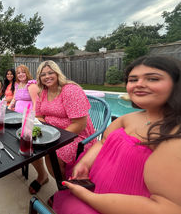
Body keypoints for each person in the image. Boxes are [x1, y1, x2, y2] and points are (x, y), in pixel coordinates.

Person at [53, 56, 181, 214]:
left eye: (153, 79)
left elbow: (168, 207)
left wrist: (88, 197)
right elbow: (102, 142)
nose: (139, 84)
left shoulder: (174, 135)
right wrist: (85, 164)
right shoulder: (127, 119)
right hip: (96, 187)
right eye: (133, 79)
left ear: (176, 84)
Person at [29, 60, 96, 195]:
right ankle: (43, 176)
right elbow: (39, 115)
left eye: (50, 73)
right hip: (51, 132)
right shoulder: (43, 92)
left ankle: (65, 188)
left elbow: (80, 124)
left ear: (57, 73)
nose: (47, 76)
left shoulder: (70, 90)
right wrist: (47, 132)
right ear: (39, 78)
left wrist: (53, 138)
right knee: (29, 145)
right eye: (43, 74)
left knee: (53, 155)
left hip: (76, 135)